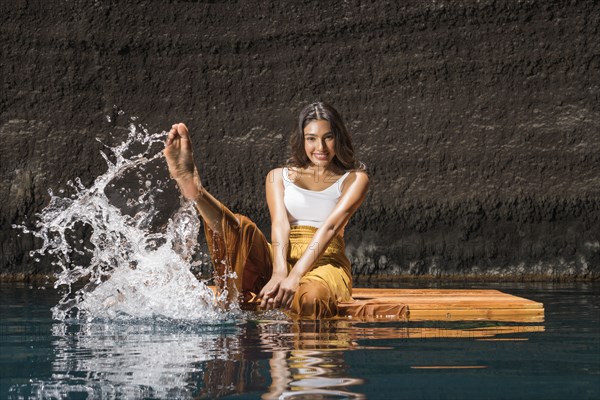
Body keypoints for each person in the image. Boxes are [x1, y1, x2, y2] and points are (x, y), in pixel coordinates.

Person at [164, 102, 369, 318]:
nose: (320, 147)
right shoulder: (278, 176)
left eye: (328, 137)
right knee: (240, 225)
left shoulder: (354, 179)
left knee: (311, 299)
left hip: (325, 261)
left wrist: (295, 276)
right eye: (311, 138)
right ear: (302, 139)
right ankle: (195, 190)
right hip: (278, 255)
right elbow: (280, 223)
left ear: (339, 137)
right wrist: (279, 272)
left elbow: (330, 227)